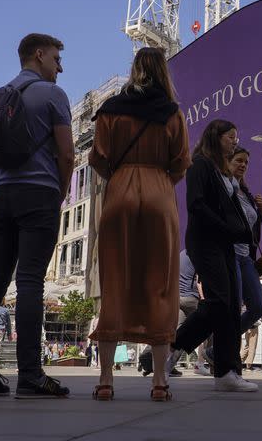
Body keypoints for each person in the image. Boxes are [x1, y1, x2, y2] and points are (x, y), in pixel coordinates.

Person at [0, 33, 74, 399]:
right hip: (38, 193)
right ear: (39, 55)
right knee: (30, 282)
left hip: (2, 195)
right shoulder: (53, 95)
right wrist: (59, 193)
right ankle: (30, 375)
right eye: (56, 58)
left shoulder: (0, 94)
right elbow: (68, 154)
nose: (60, 66)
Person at [88, 47, 191, 402]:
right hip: (159, 192)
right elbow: (181, 163)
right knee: (160, 283)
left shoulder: (110, 110)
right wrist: (158, 182)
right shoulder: (172, 113)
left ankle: (105, 380)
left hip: (119, 192)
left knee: (114, 279)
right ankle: (160, 381)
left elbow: (98, 158)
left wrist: (121, 176)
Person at [168, 119, 257, 392]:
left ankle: (227, 372)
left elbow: (234, 210)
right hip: (204, 242)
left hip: (225, 244)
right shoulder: (201, 164)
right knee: (219, 301)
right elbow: (196, 204)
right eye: (230, 137)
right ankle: (174, 346)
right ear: (216, 137)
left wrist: (242, 231)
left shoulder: (222, 172)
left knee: (230, 306)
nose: (234, 141)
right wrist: (227, 228)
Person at [228, 146, 262, 333]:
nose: (243, 165)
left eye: (246, 162)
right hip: (229, 253)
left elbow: (251, 227)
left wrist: (260, 211)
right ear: (228, 162)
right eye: (239, 160)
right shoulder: (225, 188)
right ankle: (223, 352)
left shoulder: (246, 193)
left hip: (246, 257)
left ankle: (217, 350)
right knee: (232, 306)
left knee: (258, 307)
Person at [174, 251, 211, 376]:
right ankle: (200, 363)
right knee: (206, 327)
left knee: (179, 332)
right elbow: (199, 280)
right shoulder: (197, 255)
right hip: (191, 298)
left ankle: (167, 364)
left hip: (178, 298)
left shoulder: (181, 255)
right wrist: (204, 298)